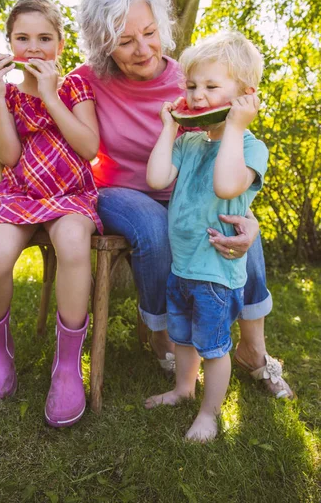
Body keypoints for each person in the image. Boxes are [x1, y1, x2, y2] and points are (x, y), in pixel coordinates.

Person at [0, 0, 293, 399]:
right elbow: (37, 98)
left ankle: (254, 349)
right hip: (119, 191)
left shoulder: (188, 80)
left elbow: (227, 139)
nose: (142, 49)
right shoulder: (92, 79)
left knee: (238, 228)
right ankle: (161, 335)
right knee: (153, 228)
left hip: (183, 190)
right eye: (125, 41)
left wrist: (246, 216)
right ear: (104, 44)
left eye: (149, 33)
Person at [0, 0, 102, 428]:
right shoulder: (7, 97)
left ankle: (67, 365)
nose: (33, 47)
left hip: (70, 195)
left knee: (71, 243)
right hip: (21, 195)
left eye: (44, 38)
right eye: (22, 38)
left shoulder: (75, 87)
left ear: (61, 45)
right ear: (8, 44)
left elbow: (88, 148)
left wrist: (51, 96)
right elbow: (9, 156)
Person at [145, 32, 269, 441]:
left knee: (214, 349)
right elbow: (157, 177)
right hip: (182, 266)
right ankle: (183, 389)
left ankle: (209, 415)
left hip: (217, 274)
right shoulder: (191, 141)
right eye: (192, 86)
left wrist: (234, 127)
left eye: (211, 87)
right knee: (183, 339)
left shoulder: (251, 148)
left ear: (244, 95)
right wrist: (168, 127)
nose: (197, 96)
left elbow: (225, 186)